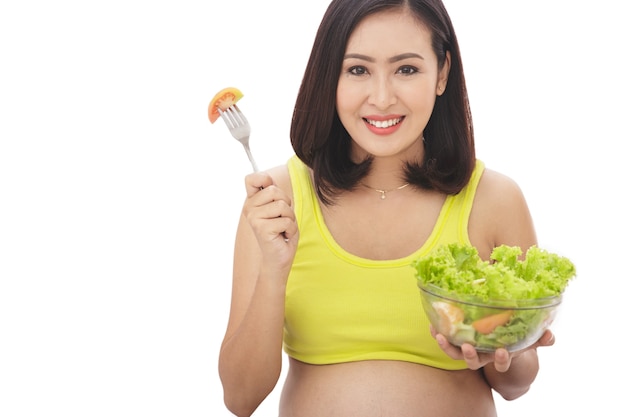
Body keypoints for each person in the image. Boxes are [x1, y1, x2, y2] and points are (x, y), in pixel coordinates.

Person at [218, 0, 555, 416]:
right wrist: (273, 269)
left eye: (406, 69)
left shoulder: (494, 200)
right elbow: (240, 398)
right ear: (330, 77)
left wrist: (507, 349)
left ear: (442, 73)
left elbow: (516, 385)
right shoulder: (275, 200)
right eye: (358, 69)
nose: (381, 98)